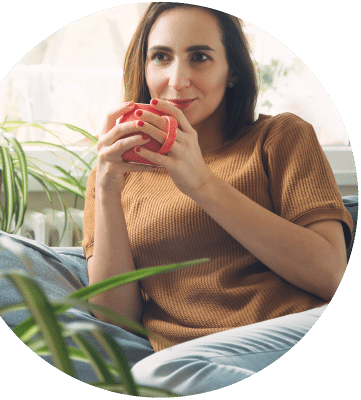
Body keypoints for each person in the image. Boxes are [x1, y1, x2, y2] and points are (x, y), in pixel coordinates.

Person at [82, 2, 353, 395]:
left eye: (200, 57)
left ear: (233, 72)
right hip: (199, 366)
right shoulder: (111, 176)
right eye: (161, 57)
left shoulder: (280, 137)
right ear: (144, 67)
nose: (177, 80)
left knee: (158, 376)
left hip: (301, 331)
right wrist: (107, 188)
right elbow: (115, 319)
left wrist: (200, 182)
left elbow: (332, 275)